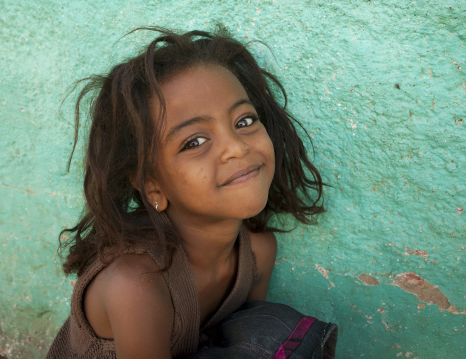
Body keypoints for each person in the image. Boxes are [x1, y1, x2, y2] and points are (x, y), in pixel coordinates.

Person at [47, 27, 337, 359]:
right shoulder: (137, 284)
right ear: (151, 185)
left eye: (243, 121)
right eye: (194, 142)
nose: (236, 147)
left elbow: (252, 344)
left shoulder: (257, 250)